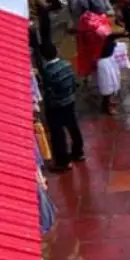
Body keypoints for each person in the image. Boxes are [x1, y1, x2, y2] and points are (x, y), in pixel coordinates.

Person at [39, 43, 84, 171]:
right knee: (73, 127)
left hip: (56, 105)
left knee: (57, 133)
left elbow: (49, 91)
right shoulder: (67, 65)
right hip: (69, 101)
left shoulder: (48, 71)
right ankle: (78, 152)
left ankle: (63, 161)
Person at [95, 26, 124, 115]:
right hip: (103, 60)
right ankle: (107, 107)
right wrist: (124, 33)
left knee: (113, 82)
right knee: (107, 85)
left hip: (109, 59)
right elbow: (110, 35)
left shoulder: (102, 28)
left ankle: (108, 103)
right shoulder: (98, 31)